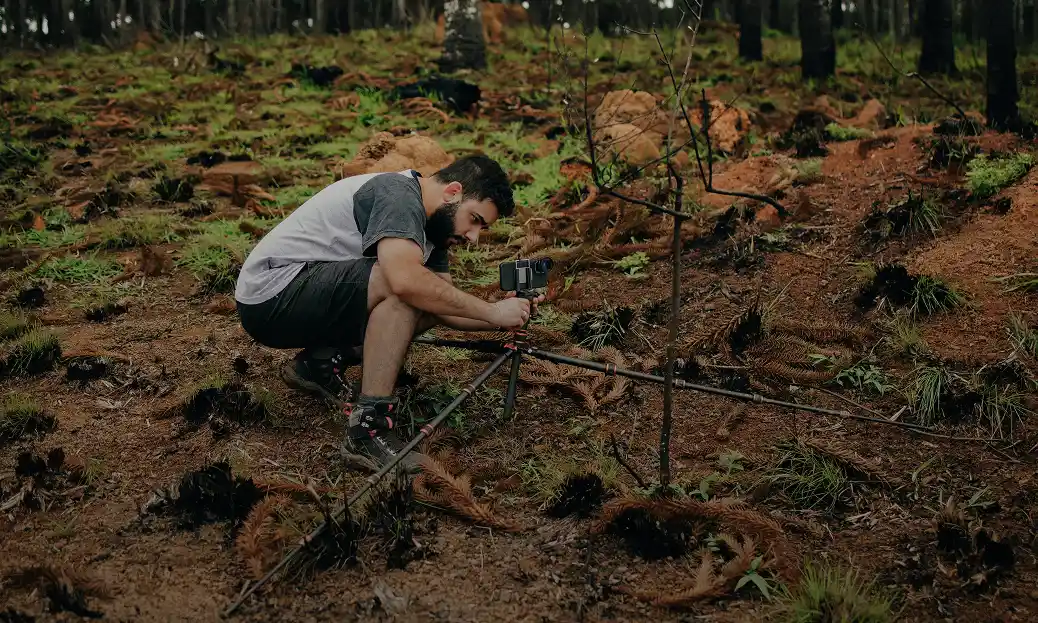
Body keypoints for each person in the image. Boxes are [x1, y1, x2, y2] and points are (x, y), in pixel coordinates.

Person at [234, 155, 541, 470]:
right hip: (270, 296)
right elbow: (405, 283)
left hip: (299, 297)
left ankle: (319, 363)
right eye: (474, 220)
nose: (473, 237)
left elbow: (444, 306)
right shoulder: (399, 196)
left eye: (482, 228)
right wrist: (491, 311)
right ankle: (367, 431)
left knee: (428, 293)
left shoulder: (433, 226)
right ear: (452, 192)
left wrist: (507, 314)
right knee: (405, 288)